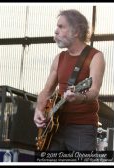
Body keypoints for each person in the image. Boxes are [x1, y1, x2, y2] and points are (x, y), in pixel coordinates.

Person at [34, 9, 105, 151]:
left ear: (76, 31)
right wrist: (39, 110)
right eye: (56, 27)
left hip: (82, 128)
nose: (55, 31)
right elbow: (47, 91)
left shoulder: (96, 56)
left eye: (61, 27)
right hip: (54, 129)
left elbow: (94, 91)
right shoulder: (58, 58)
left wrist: (79, 97)